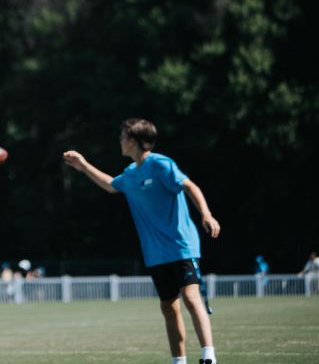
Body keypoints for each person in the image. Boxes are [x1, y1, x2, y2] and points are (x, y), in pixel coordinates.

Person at [63, 118, 221, 364]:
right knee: (168, 307)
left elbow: (190, 186)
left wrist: (206, 214)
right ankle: (179, 361)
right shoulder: (130, 174)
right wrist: (83, 166)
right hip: (156, 253)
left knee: (190, 297)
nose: (120, 140)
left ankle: (208, 357)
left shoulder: (161, 164)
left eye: (123, 136)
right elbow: (110, 185)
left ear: (133, 141)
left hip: (181, 245)